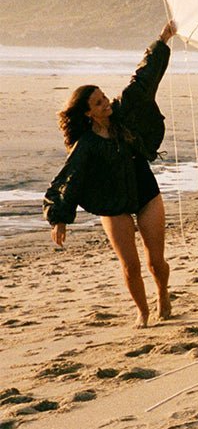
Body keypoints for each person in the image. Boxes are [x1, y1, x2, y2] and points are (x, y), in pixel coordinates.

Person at [45, 21, 177, 328]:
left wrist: (162, 39)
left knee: (155, 261)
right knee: (130, 266)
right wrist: (59, 217)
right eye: (99, 103)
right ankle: (142, 312)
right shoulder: (86, 145)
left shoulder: (124, 112)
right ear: (88, 112)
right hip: (112, 203)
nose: (107, 104)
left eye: (104, 98)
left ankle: (163, 292)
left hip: (145, 192)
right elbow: (69, 178)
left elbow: (143, 77)